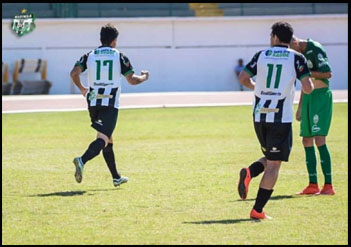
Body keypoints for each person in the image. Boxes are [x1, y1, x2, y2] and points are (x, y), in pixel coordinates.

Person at [237, 22, 314, 219]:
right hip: (281, 117)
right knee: (274, 164)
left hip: (259, 115)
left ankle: (250, 172)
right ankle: (258, 210)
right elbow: (308, 87)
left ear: (274, 38)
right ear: (290, 39)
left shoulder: (261, 55)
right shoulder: (297, 57)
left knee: (271, 158)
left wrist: (258, 88)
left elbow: (243, 77)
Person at [70, 24, 149, 187]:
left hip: (93, 102)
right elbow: (132, 80)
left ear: (101, 39)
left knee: (108, 139)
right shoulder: (119, 56)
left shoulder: (89, 55)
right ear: (114, 41)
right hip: (110, 102)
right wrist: (144, 77)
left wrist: (83, 89)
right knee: (103, 138)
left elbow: (74, 73)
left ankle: (116, 177)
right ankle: (82, 160)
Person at [290, 36, 335, 195]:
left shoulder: (315, 48)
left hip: (321, 97)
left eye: (291, 48)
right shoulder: (298, 55)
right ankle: (312, 185)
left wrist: (306, 72)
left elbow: (328, 73)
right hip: (308, 98)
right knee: (306, 140)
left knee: (319, 139)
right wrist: (300, 106)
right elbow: (305, 83)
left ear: (295, 43)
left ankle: (328, 186)